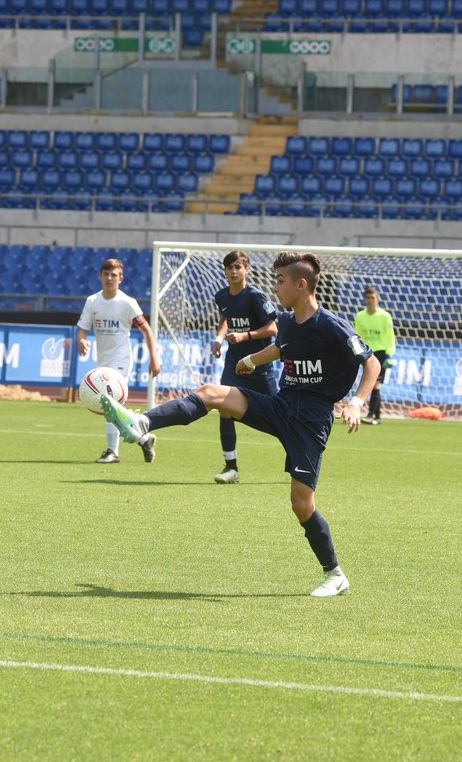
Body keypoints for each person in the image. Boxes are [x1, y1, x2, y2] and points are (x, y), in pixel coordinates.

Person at [100, 250, 380, 597]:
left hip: (311, 421)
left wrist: (356, 402)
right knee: (211, 393)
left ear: (301, 284)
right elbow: (281, 348)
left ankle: (335, 574)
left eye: (280, 281)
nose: (275, 287)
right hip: (281, 405)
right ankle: (141, 423)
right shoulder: (288, 321)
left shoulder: (331, 325)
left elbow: (371, 365)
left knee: (301, 504)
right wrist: (250, 359)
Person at [76, 257, 161, 464]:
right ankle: (143, 439)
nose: (109, 278)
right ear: (100, 276)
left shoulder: (127, 303)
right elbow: (82, 330)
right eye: (106, 274)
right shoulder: (92, 301)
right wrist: (82, 341)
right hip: (103, 362)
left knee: (109, 403)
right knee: (112, 408)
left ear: (120, 278)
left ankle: (112, 452)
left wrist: (154, 357)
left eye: (114, 275)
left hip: (122, 360)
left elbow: (146, 329)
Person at [211, 250, 280, 484]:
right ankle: (231, 468)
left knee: (280, 417)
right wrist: (219, 340)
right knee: (224, 408)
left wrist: (245, 336)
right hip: (234, 364)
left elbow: (274, 328)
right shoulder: (222, 296)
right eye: (230, 267)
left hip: (259, 364)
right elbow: (226, 319)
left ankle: (299, 457)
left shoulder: (256, 297)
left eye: (238, 267)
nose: (233, 271)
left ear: (247, 270)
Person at [353, 285, 396, 424]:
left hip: (381, 352)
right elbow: (357, 334)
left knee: (375, 383)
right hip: (367, 352)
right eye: (368, 298)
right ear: (364, 299)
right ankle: (377, 417)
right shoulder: (360, 316)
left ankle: (371, 415)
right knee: (372, 383)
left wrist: (389, 354)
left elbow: (390, 336)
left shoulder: (385, 316)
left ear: (378, 299)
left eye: (373, 297)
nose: (371, 300)